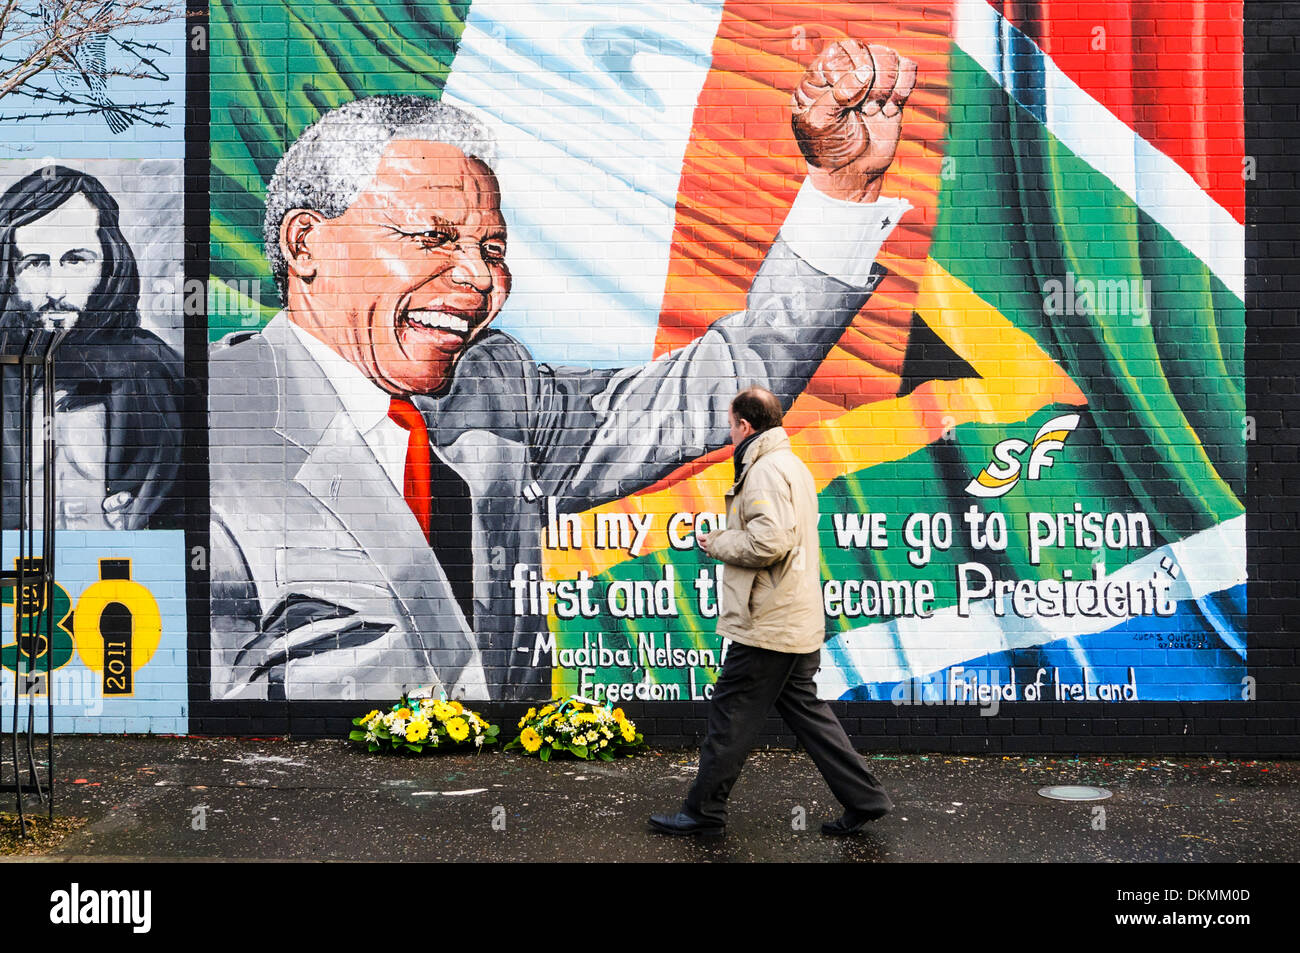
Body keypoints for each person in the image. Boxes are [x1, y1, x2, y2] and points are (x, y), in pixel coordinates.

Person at [208, 39, 917, 702]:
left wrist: (842, 186)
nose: (477, 279)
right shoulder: (195, 429)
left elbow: (717, 386)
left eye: (492, 248)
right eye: (432, 238)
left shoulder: (497, 387)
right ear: (306, 243)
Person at [649, 387, 894, 837]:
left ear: (745, 425)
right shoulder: (792, 464)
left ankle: (703, 812)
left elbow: (769, 541)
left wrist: (718, 542)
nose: (729, 432)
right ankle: (866, 798)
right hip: (793, 615)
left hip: (769, 623)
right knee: (806, 711)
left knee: (730, 711)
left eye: (731, 424)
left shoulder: (764, 470)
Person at [0, 166, 184, 530]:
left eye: (76, 260)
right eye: (36, 263)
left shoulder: (152, 368)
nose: (57, 289)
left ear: (110, 262)